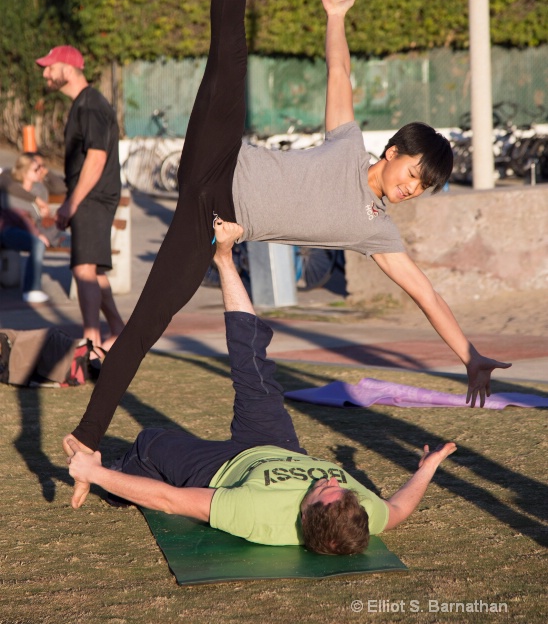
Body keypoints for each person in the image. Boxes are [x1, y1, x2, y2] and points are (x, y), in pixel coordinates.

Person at [63, 0, 509, 509]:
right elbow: (338, 72)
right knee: (229, 54)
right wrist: (335, 17)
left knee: (143, 328)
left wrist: (469, 354)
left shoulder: (375, 230)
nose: (412, 190)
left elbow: (426, 295)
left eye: (422, 188)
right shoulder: (345, 141)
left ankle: (84, 443)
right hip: (219, 159)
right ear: (392, 153)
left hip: (208, 220)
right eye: (413, 175)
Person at [66, 218, 457, 554]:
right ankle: (224, 259)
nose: (334, 479)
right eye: (341, 486)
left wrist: (95, 473)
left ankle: (117, 480)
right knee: (254, 363)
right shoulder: (358, 514)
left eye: (327, 489)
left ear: (307, 514)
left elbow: (171, 501)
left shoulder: (259, 515)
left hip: (225, 471)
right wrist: (428, 467)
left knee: (151, 442)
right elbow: (400, 508)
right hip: (277, 442)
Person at [34, 44, 125, 352]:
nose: (46, 73)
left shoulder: (90, 106)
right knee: (94, 269)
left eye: (50, 67)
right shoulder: (82, 104)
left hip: (94, 197)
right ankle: (118, 331)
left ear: (68, 69)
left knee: (82, 268)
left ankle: (92, 343)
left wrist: (72, 203)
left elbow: (97, 159)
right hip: (90, 196)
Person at [1, 154, 67, 247]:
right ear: (24, 172)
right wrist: (36, 200)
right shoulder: (12, 186)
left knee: (67, 237)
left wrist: (47, 172)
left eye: (41, 167)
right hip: (17, 227)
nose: (40, 171)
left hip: (38, 228)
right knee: (38, 242)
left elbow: (62, 187)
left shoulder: (41, 188)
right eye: (36, 169)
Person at [0, 203, 49, 303]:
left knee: (38, 243)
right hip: (6, 229)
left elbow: (20, 215)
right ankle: (32, 289)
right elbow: (21, 216)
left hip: (9, 228)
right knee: (38, 243)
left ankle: (32, 290)